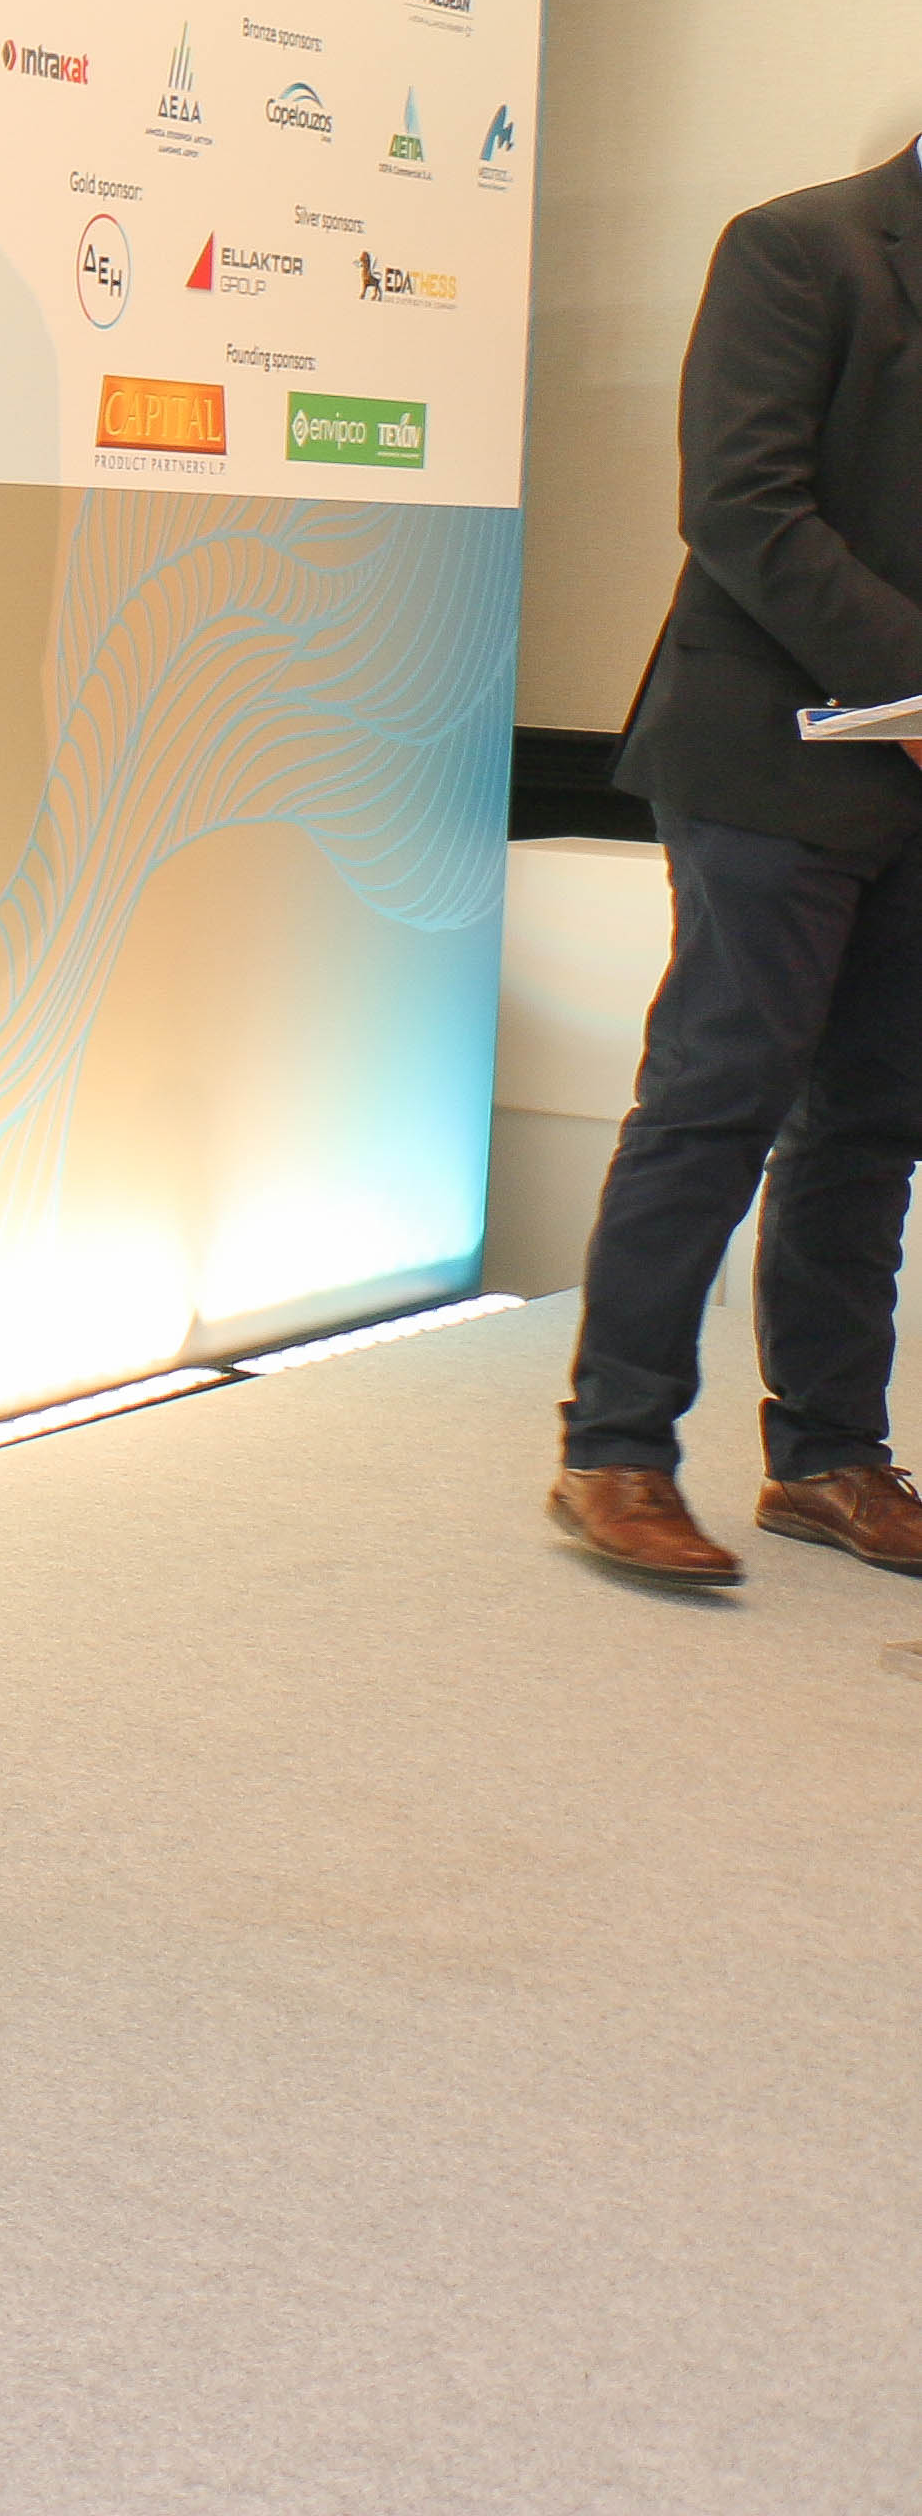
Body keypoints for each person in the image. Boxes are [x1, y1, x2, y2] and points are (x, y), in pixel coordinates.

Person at [555, 149, 922, 1585]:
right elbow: (744, 506)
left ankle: (827, 1458)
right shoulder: (802, 247)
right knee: (718, 1098)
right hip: (771, 749)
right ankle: (614, 1451)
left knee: (874, 1120)